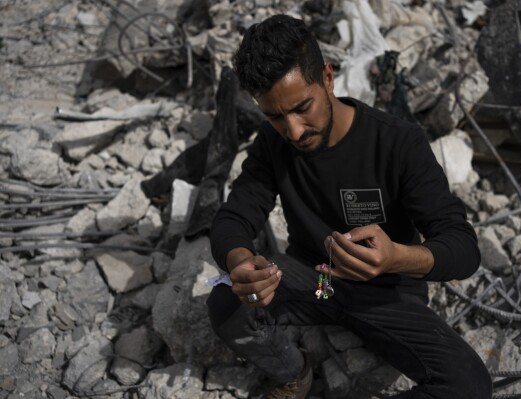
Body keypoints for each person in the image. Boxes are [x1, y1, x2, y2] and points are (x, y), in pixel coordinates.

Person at [207, 14, 492, 399]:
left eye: (302, 107)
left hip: (388, 295)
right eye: (275, 116)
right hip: (320, 284)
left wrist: (395, 258)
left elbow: (463, 247)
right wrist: (242, 264)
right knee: (227, 301)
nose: (293, 131)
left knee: (468, 385)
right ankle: (294, 373)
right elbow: (234, 217)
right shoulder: (273, 146)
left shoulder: (397, 143)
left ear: (327, 77)